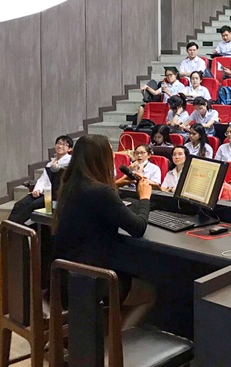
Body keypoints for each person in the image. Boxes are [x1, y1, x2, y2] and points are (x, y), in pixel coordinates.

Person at [53, 134, 155, 329]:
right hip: (92, 281)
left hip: (66, 277)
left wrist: (117, 184)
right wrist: (145, 197)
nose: (113, 157)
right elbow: (137, 227)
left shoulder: (69, 184)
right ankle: (115, 342)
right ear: (100, 159)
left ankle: (107, 333)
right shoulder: (102, 193)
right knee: (148, 292)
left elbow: (93, 197)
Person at [6, 135, 74, 224]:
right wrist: (37, 189)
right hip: (43, 192)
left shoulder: (70, 162)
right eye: (58, 143)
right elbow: (43, 179)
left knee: (33, 206)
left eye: (64, 144)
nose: (60, 146)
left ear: (69, 149)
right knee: (19, 204)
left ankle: (13, 226)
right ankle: (7, 226)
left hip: (54, 195)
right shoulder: (50, 163)